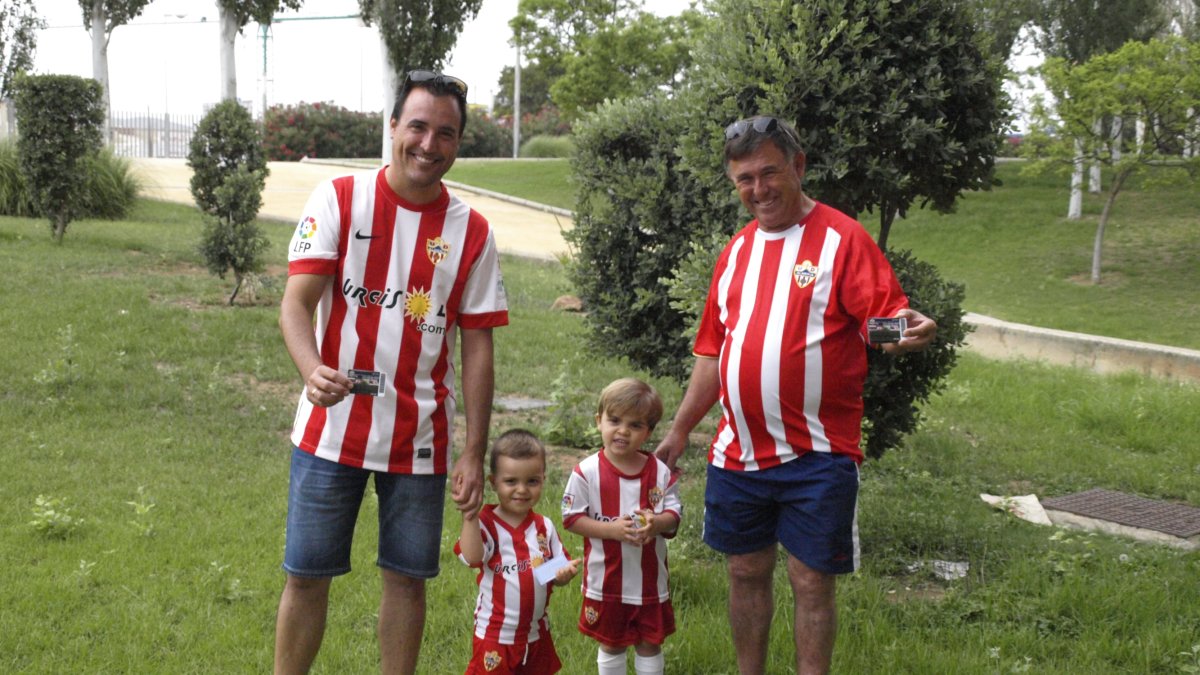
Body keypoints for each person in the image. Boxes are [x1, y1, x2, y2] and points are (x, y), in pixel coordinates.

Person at [653, 115, 937, 675]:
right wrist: (681, 429)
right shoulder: (736, 251)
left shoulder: (841, 239)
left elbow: (874, 323)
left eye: (768, 173)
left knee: (810, 581)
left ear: (798, 167)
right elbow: (713, 353)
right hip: (738, 453)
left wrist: (903, 330)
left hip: (819, 454)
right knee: (744, 572)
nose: (757, 189)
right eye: (744, 180)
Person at [273, 70, 508, 675]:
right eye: (419, 127)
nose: (430, 144)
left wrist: (472, 451)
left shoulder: (472, 233)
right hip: (330, 433)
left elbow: (476, 347)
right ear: (394, 128)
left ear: (459, 143)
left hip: (420, 442)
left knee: (407, 583)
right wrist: (310, 368)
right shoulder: (340, 199)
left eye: (446, 133)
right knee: (306, 578)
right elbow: (296, 304)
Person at [562, 378, 682, 675]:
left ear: (649, 432)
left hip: (650, 584)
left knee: (649, 643)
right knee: (611, 643)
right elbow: (572, 518)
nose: (623, 431)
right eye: (614, 420)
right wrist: (612, 531)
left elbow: (674, 516)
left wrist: (656, 524)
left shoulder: (659, 472)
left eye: (635, 425)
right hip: (607, 583)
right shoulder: (586, 472)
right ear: (599, 421)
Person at [455, 429, 581, 675]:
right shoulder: (487, 523)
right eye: (511, 481)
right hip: (495, 636)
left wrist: (562, 574)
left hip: (536, 633)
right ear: (493, 483)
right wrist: (469, 515)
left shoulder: (544, 526)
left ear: (543, 479)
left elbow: (549, 570)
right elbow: (472, 558)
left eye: (532, 481)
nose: (522, 490)